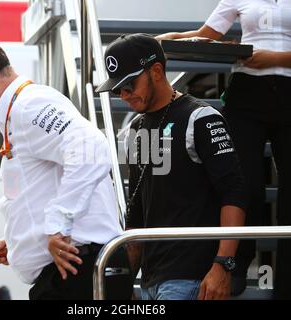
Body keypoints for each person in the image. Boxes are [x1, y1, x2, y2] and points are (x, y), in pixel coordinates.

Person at [156, 0, 291, 299]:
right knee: (246, 186)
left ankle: (287, 288)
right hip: (246, 95)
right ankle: (237, 264)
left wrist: (272, 58)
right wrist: (166, 40)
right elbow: (207, 34)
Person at [0, 34, 133, 300]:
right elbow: (44, 187)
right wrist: (23, 241)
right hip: (72, 271)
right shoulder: (18, 112)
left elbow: (91, 147)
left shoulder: (28, 107)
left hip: (78, 273)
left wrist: (58, 225)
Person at [96, 33, 246, 300]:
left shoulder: (201, 117)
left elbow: (234, 193)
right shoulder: (134, 129)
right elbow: (137, 215)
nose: (124, 95)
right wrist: (125, 283)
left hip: (193, 278)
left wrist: (223, 265)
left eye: (129, 84)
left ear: (156, 71)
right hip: (151, 281)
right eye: (117, 89)